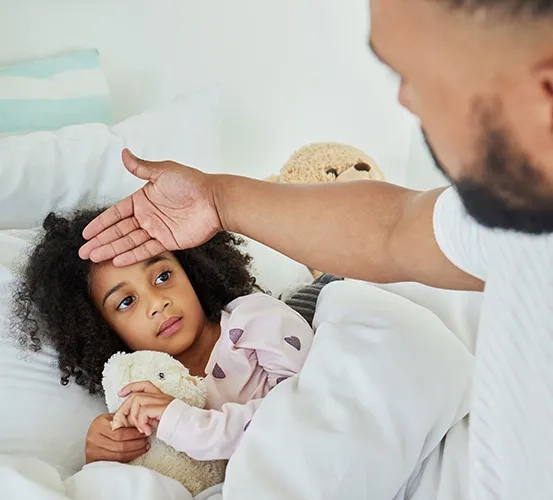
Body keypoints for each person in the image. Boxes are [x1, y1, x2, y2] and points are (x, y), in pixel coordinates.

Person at [78, 2, 553, 497]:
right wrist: (217, 199)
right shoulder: (517, 215)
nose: (406, 100)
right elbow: (393, 228)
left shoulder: (250, 323)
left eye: (418, 75)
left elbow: (317, 404)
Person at [13, 209, 314, 465]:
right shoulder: (142, 395)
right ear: (101, 329)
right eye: (126, 302)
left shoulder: (255, 320)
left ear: (190, 267)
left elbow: (307, 413)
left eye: (162, 276)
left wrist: (182, 422)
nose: (158, 304)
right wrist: (102, 454)